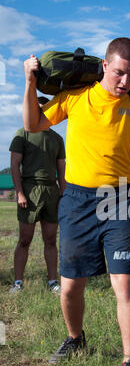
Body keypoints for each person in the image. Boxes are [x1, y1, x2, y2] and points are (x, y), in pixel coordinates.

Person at [22, 37, 130, 366]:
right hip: (75, 199)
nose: (125, 82)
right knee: (72, 286)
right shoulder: (77, 98)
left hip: (119, 200)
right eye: (120, 73)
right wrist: (29, 82)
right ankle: (76, 338)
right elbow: (33, 124)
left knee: (124, 282)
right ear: (105, 66)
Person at [9, 96, 66, 295]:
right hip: (30, 189)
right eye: (38, 109)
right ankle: (18, 283)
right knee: (25, 239)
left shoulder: (57, 139)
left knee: (50, 239)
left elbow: (61, 170)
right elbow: (15, 165)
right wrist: (20, 193)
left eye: (44, 109)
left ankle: (52, 282)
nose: (41, 113)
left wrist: (62, 194)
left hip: (51, 191)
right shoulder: (22, 134)